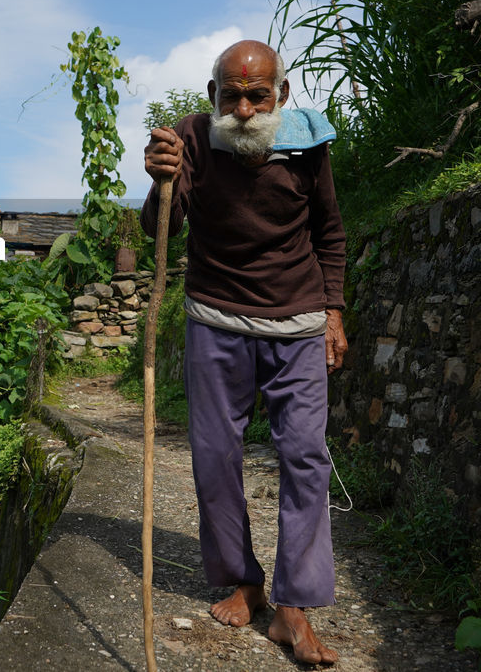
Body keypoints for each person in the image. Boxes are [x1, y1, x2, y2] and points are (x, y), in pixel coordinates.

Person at [141, 40, 346, 666]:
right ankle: (245, 580)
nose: (246, 108)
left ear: (281, 94)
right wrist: (161, 182)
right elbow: (159, 231)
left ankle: (293, 606)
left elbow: (329, 232)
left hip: (299, 320)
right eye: (232, 94)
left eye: (259, 94)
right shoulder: (193, 140)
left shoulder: (308, 143)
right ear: (214, 97)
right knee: (214, 455)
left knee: (306, 455)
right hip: (216, 317)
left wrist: (334, 311)